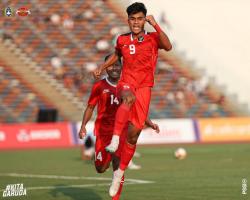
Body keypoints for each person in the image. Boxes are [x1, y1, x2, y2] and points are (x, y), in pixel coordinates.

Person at [93, 2, 172, 197]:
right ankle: (114, 140)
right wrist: (102, 68)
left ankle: (119, 174)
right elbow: (117, 56)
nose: (136, 22)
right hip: (127, 82)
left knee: (134, 135)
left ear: (144, 20)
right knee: (127, 98)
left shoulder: (153, 38)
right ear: (128, 20)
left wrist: (157, 26)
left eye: (139, 19)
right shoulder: (121, 39)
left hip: (145, 88)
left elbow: (168, 46)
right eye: (132, 19)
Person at [79, 55, 160, 200]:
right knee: (100, 168)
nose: (115, 68)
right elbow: (90, 107)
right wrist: (83, 126)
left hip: (122, 130)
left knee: (119, 165)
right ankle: (107, 157)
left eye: (117, 65)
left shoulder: (129, 86)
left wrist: (149, 122)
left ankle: (115, 197)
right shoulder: (99, 86)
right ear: (106, 67)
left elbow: (136, 107)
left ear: (122, 67)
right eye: (111, 65)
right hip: (103, 131)